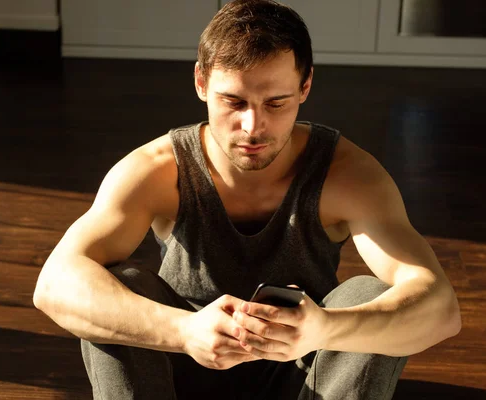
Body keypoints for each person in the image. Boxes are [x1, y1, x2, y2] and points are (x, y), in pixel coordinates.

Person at [33, 1, 462, 399]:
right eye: (233, 101)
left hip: (303, 378)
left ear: (305, 86)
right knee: (117, 286)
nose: (253, 126)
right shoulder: (157, 169)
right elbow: (54, 286)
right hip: (184, 370)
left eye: (276, 102)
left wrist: (325, 330)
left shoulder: (347, 175)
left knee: (368, 295)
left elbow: (440, 309)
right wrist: (184, 330)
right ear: (202, 83)